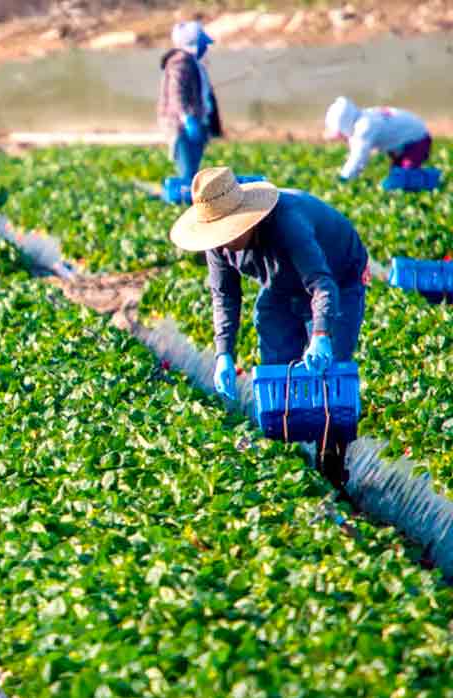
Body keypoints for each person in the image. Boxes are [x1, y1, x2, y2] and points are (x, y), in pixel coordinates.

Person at [169, 167, 367, 497]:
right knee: (278, 362)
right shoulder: (217, 244)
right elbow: (225, 295)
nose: (224, 240)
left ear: (246, 219)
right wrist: (223, 354)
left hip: (337, 275)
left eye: (228, 231)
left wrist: (320, 336)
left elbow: (322, 284)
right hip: (279, 284)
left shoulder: (288, 223)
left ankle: (331, 460)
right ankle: (291, 454)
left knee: (329, 371)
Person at [158, 21, 223, 185]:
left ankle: (188, 195)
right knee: (188, 172)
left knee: (193, 170)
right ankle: (181, 198)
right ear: (193, 42)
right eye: (203, 43)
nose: (206, 47)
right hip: (181, 126)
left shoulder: (193, 62)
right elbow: (176, 92)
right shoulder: (180, 62)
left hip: (195, 123)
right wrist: (187, 118)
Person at [325, 96, 432, 181]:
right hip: (403, 142)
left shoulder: (364, 127)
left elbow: (358, 157)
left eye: (340, 133)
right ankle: (423, 179)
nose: (341, 138)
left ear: (345, 125)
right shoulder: (363, 117)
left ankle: (433, 180)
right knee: (397, 174)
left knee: (404, 178)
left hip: (417, 140)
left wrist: (344, 178)